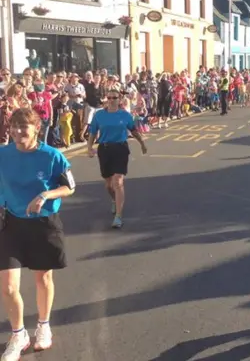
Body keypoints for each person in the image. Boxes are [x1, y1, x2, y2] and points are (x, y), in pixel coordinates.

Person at [0, 108, 76, 359]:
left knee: (42, 279)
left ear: (36, 129)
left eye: (24, 126)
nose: (18, 131)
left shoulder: (51, 156)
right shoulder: (3, 154)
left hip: (43, 224)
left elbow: (69, 187)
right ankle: (18, 334)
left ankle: (43, 325)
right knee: (9, 287)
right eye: (14, 126)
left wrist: (45, 194)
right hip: (11, 224)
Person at [87, 89, 148, 229]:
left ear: (119, 99)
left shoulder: (125, 115)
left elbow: (133, 131)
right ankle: (114, 200)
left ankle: (118, 216)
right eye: (108, 97)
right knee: (109, 184)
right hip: (105, 149)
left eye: (114, 98)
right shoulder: (99, 115)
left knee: (118, 181)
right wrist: (89, 148)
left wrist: (142, 144)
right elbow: (93, 133)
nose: (111, 100)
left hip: (120, 148)